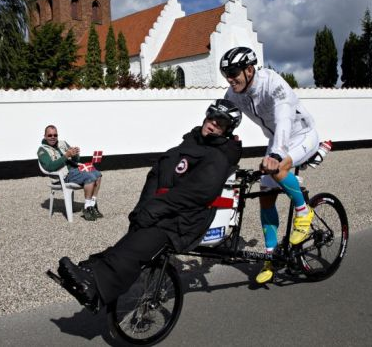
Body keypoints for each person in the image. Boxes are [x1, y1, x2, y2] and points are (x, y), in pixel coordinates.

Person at [56, 100, 242, 312]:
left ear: (227, 130)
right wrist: (143, 208)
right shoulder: (185, 146)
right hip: (164, 209)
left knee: (143, 241)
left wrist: (155, 209)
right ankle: (90, 275)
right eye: (211, 118)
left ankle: (95, 284)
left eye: (220, 123)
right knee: (133, 240)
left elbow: (197, 192)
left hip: (186, 218)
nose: (213, 124)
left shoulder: (218, 156)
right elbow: (155, 176)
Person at [220, 46, 320, 284]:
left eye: (233, 73)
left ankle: (304, 212)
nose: (230, 79)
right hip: (275, 140)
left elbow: (284, 119)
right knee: (265, 196)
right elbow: (224, 118)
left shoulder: (272, 83)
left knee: (277, 169)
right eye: (226, 74)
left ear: (249, 69)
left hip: (301, 134)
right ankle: (271, 256)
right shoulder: (233, 93)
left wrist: (276, 153)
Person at [37, 125, 103, 221]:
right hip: (63, 176)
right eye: (50, 135)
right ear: (45, 136)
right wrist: (66, 155)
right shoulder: (42, 150)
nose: (53, 137)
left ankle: (91, 204)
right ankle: (87, 208)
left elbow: (76, 159)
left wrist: (75, 154)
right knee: (90, 177)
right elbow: (50, 167)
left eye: (55, 135)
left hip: (74, 170)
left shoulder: (62, 143)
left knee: (97, 174)